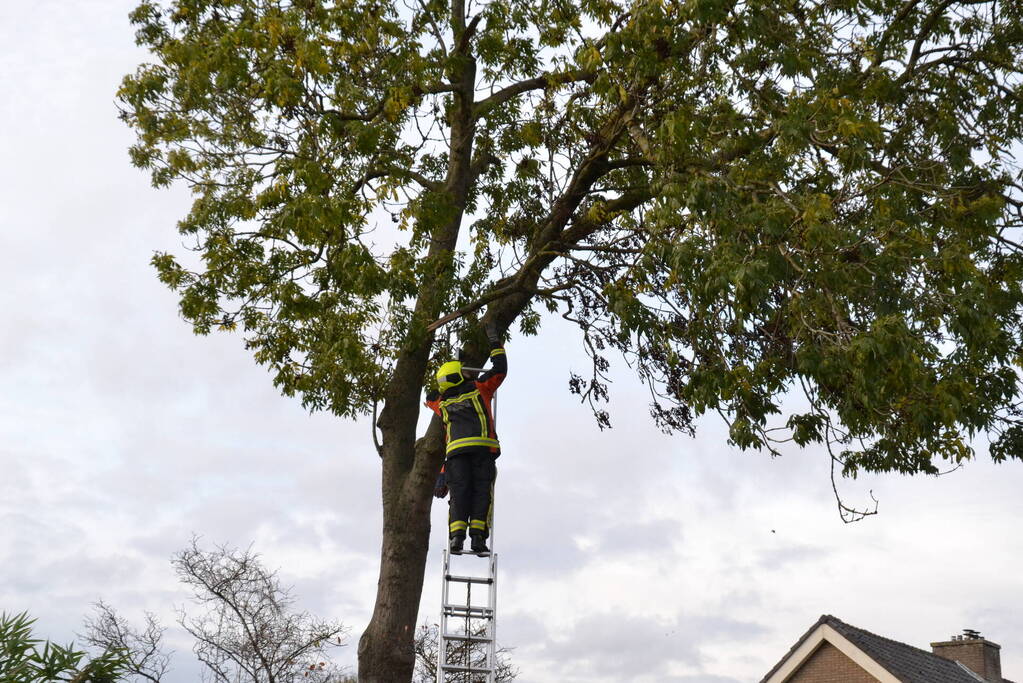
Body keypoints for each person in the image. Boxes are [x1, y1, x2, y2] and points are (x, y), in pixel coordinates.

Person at [425, 328, 506, 554]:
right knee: (482, 493)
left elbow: (429, 397)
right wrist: (495, 344)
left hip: (456, 457)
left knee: (460, 494)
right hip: (482, 452)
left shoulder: (442, 404)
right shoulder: (480, 389)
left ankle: (456, 539)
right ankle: (478, 538)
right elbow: (500, 370)